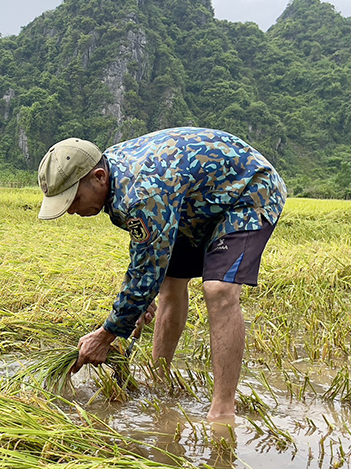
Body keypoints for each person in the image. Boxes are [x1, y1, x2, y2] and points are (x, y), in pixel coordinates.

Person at [37, 127, 286, 421]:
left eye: (73, 200)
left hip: (247, 191)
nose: (71, 211)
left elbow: (145, 267)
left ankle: (222, 410)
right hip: (193, 203)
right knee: (169, 286)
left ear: (98, 178)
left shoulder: (140, 193)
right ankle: (159, 381)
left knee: (219, 289)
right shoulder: (114, 177)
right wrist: (140, 301)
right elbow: (149, 257)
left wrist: (107, 334)